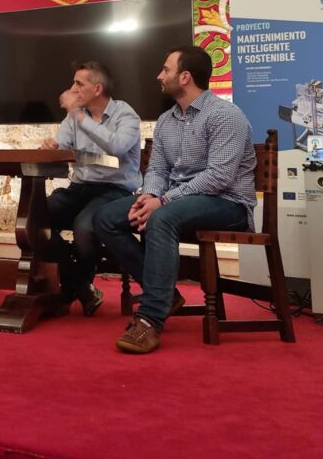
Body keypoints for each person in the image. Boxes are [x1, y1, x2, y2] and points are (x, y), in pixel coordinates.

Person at [93, 46, 256, 354]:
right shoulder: (166, 120)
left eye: (166, 69)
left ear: (185, 77)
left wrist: (164, 201)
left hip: (228, 203)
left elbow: (219, 177)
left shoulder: (225, 115)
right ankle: (165, 295)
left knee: (161, 217)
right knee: (105, 218)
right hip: (178, 201)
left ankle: (150, 319)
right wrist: (150, 195)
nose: (159, 75)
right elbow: (157, 169)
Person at [39, 61, 141, 316]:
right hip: (79, 188)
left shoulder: (125, 114)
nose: (72, 89)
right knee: (36, 217)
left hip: (114, 190)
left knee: (84, 227)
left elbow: (117, 147)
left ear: (97, 88)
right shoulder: (74, 116)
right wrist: (52, 149)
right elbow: (62, 148)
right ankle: (80, 285)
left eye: (79, 84)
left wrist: (79, 116)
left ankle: (71, 288)